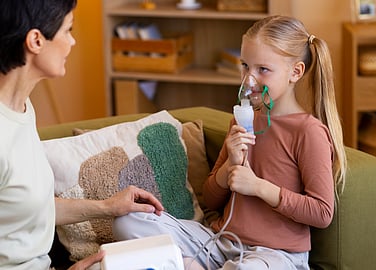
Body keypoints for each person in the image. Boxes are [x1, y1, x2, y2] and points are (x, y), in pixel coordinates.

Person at [113, 15, 347, 270]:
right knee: (128, 221)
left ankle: (185, 264)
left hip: (276, 254)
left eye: (263, 70)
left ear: (295, 72)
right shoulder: (242, 120)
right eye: (245, 65)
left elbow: (322, 213)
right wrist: (227, 170)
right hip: (220, 243)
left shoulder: (308, 131)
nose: (249, 80)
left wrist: (258, 187)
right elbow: (212, 200)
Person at [0, 1, 164, 269]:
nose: (73, 42)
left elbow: (22, 209)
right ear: (36, 41)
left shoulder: (21, 108)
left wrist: (107, 207)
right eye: (68, 30)